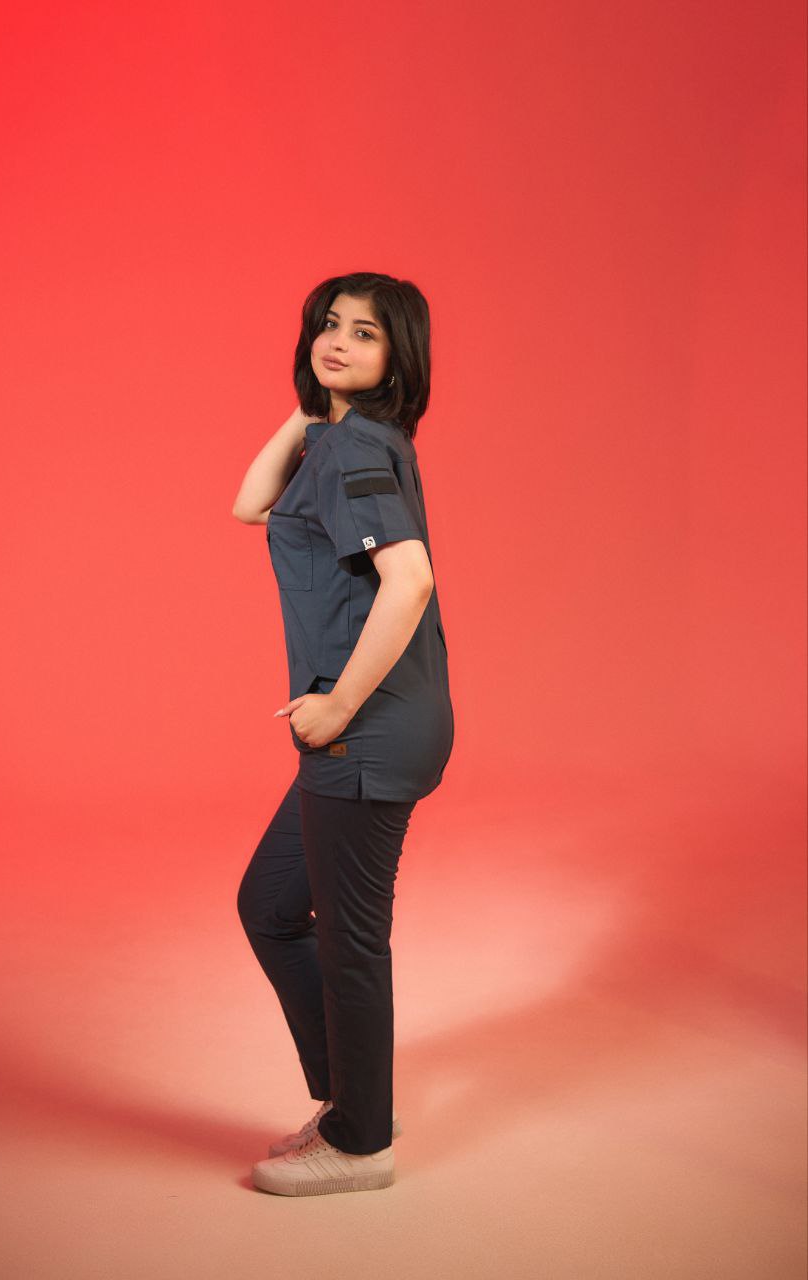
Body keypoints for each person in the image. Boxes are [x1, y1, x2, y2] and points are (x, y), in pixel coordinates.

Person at [232, 271, 454, 1196]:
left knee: (351, 942)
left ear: (399, 357)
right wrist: (309, 409)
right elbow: (251, 504)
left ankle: (362, 1142)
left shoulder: (358, 446)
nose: (338, 341)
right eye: (329, 324)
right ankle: (357, 1099)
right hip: (376, 726)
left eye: (365, 333)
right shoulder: (345, 438)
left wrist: (338, 706)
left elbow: (411, 580)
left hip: (366, 728)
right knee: (271, 907)